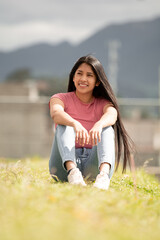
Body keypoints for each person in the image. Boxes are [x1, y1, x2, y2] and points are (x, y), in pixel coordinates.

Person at [49, 55, 133, 190]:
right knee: (64, 124)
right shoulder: (59, 98)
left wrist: (99, 124)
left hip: (93, 167)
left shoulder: (104, 104)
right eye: (79, 74)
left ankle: (103, 177)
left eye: (89, 75)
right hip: (62, 168)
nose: (83, 79)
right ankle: (73, 172)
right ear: (73, 77)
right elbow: (56, 114)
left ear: (97, 82)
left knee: (107, 128)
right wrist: (75, 123)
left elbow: (112, 115)